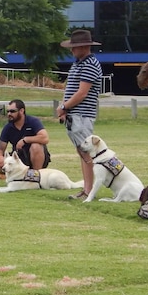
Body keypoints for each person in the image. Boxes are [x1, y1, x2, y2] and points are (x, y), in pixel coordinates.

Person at [57, 30, 102, 200]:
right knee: (81, 152)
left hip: (82, 115)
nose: (72, 51)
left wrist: (64, 106)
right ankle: (87, 188)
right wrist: (64, 108)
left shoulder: (90, 64)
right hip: (73, 115)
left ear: (84, 47)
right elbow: (70, 88)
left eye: (74, 47)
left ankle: (89, 190)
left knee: (87, 154)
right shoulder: (78, 63)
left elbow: (82, 93)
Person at [0, 99, 50, 171]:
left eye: (12, 111)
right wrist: (0, 158)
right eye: (7, 111)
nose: (9, 114)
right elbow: (0, 149)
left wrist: (25, 140)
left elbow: (45, 138)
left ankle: (36, 174)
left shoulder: (33, 121)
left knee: (36, 146)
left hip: (36, 155)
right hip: (18, 157)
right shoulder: (8, 127)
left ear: (21, 111)